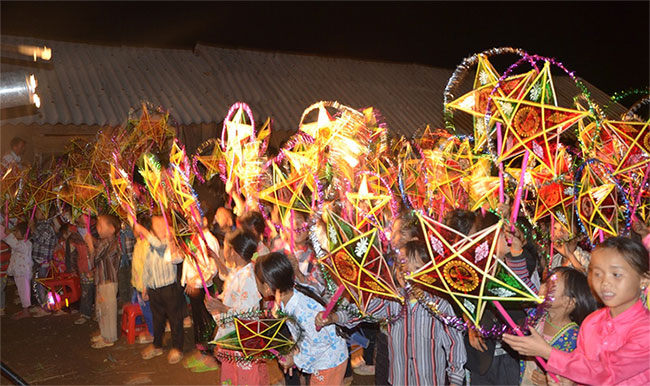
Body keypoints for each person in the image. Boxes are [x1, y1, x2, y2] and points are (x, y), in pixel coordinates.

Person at [317, 240, 467, 386]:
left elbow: (454, 345)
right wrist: (332, 317)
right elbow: (360, 313)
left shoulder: (440, 306)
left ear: (429, 272)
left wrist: (455, 380)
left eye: (415, 266)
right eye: (401, 263)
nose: (405, 270)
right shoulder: (391, 302)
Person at [503, 236, 650, 385]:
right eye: (597, 274)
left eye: (616, 274)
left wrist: (548, 352)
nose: (605, 282)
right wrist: (568, 380)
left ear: (643, 280)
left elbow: (607, 373)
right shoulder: (592, 322)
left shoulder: (645, 330)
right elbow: (581, 366)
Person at [255, 252, 349, 385]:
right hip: (324, 357)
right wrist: (294, 349)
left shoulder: (301, 310)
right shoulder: (288, 298)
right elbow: (306, 334)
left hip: (330, 360)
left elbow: (322, 343)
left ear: (266, 287)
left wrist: (296, 360)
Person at [205, 229, 267, 385]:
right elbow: (230, 296)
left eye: (224, 245)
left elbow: (247, 314)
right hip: (232, 336)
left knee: (246, 378)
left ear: (232, 251)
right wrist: (216, 305)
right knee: (231, 375)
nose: (222, 248)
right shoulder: (237, 272)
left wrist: (222, 308)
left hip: (244, 340)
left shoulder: (249, 277)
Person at [519, 267, 598, 386]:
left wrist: (551, 381)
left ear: (568, 302)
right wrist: (515, 252)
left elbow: (578, 374)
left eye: (551, 285)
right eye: (545, 282)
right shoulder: (536, 316)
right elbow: (521, 281)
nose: (542, 287)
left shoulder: (576, 339)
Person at [132, 214, 185, 365]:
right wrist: (145, 287)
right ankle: (157, 344)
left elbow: (158, 244)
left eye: (164, 225)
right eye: (158, 226)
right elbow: (147, 268)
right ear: (152, 230)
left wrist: (143, 230)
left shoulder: (167, 243)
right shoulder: (150, 247)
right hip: (154, 289)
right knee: (158, 319)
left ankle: (177, 347)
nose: (163, 229)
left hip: (169, 287)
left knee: (175, 319)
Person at [181, 207, 219, 372]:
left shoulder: (209, 240)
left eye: (195, 218)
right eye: (189, 219)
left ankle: (211, 356)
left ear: (204, 220)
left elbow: (213, 267)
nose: (191, 222)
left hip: (203, 287)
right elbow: (188, 262)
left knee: (207, 322)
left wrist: (197, 279)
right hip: (193, 286)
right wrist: (187, 279)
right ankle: (202, 352)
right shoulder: (192, 238)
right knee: (198, 321)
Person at [84, 214, 121, 348]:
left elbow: (95, 258)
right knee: (101, 310)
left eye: (100, 225)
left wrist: (89, 244)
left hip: (108, 281)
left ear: (111, 229)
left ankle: (109, 338)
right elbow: (99, 246)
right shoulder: (106, 241)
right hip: (102, 280)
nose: (97, 228)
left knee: (108, 311)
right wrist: (92, 240)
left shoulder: (110, 242)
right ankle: (104, 333)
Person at [129, 214, 154, 342]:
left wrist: (146, 287)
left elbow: (147, 268)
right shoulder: (139, 243)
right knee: (136, 304)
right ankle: (138, 326)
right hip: (136, 284)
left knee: (148, 311)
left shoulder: (147, 246)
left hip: (144, 285)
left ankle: (152, 333)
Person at [29, 207, 58, 317]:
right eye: (36, 211)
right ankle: (41, 303)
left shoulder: (47, 226)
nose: (36, 214)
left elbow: (39, 239)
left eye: (39, 211)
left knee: (40, 283)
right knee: (36, 283)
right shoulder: (40, 225)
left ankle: (45, 307)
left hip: (43, 260)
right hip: (38, 259)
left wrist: (32, 228)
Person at [3, 223, 33, 319]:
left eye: (17, 231)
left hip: (22, 272)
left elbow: (16, 245)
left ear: (24, 234)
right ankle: (24, 309)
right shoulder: (22, 243)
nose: (15, 233)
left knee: (24, 291)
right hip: (19, 272)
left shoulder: (25, 244)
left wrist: (9, 235)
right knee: (22, 291)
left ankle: (26, 311)